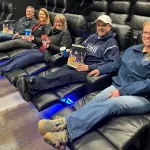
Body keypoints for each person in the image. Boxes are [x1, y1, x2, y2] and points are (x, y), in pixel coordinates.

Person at [36, 21, 150, 149]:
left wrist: (123, 90)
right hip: (119, 87)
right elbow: (116, 64)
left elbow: (148, 84)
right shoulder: (132, 50)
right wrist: (99, 69)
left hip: (142, 97)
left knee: (112, 104)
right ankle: (62, 123)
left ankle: (64, 135)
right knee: (96, 100)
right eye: (145, 32)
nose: (147, 36)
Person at [16, 15, 120, 102]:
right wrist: (72, 51)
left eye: (103, 26)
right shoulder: (92, 37)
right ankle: (32, 83)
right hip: (78, 62)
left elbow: (114, 64)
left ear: (109, 27)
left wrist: (90, 67)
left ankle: (31, 87)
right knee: (59, 71)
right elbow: (81, 48)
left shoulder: (111, 44)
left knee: (66, 76)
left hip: (89, 70)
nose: (100, 28)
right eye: (98, 25)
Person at [0, 14, 71, 76]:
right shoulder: (53, 30)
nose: (57, 24)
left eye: (60, 22)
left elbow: (63, 50)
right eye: (56, 21)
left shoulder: (65, 33)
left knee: (27, 58)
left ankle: (3, 70)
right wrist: (34, 38)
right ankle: (2, 66)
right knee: (22, 54)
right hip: (41, 49)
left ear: (64, 23)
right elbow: (43, 41)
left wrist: (49, 46)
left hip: (49, 54)